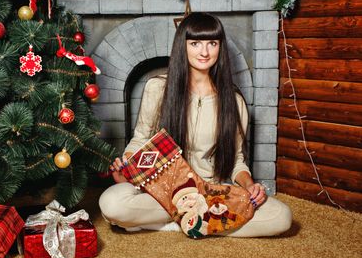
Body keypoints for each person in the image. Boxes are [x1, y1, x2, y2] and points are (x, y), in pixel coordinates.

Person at [99, 12, 292, 237]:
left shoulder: (234, 101)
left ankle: (179, 222)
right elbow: (141, 138)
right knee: (112, 203)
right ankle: (205, 222)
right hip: (165, 188)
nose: (204, 52)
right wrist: (127, 165)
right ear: (183, 46)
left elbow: (237, 161)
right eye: (195, 43)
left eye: (212, 43)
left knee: (281, 216)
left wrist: (249, 185)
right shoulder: (157, 88)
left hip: (210, 193)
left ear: (220, 48)